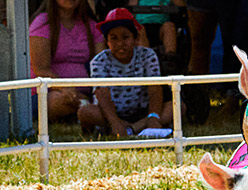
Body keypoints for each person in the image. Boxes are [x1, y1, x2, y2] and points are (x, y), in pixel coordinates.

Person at [77, 7, 178, 136]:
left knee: (177, 106)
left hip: (142, 111)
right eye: (114, 38)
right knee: (85, 112)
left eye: (125, 37)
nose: (120, 43)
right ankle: (130, 127)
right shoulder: (99, 61)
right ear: (107, 42)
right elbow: (101, 93)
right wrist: (114, 122)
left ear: (135, 39)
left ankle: (133, 128)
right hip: (112, 113)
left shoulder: (147, 55)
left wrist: (153, 116)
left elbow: (155, 88)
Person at [29, 0, 106, 121]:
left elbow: (103, 62)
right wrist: (65, 88)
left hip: (85, 92)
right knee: (57, 101)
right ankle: (85, 111)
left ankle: (85, 110)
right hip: (50, 92)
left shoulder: (90, 25)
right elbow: (41, 69)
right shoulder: (42, 23)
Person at [128, 0, 185, 74]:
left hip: (161, 26)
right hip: (142, 24)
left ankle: (170, 59)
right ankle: (144, 62)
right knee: (139, 30)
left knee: (169, 27)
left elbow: (181, 6)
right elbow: (130, 8)